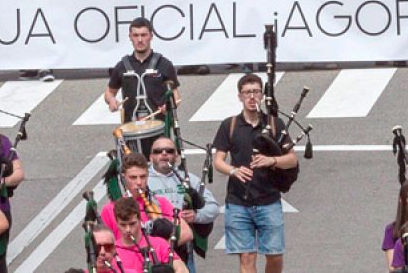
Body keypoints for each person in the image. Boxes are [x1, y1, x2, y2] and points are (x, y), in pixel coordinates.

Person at [210, 74, 296, 273]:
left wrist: (272, 160)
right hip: (238, 202)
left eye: (256, 92)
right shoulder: (229, 125)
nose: (252, 97)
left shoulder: (275, 124)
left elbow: (292, 159)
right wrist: (234, 170)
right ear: (240, 96)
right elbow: (218, 161)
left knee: (274, 255)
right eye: (247, 93)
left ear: (262, 95)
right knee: (247, 256)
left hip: (269, 200)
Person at [146, 135, 218, 273]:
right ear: (150, 157)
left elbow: (213, 208)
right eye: (158, 151)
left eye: (169, 150)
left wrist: (196, 216)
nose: (164, 154)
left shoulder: (188, 179)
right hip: (155, 249)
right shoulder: (143, 180)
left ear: (177, 156)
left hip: (184, 249)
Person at [104, 17, 181, 127]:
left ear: (151, 36)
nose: (140, 40)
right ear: (130, 37)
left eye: (143, 35)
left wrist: (168, 106)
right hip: (132, 125)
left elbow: (176, 96)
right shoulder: (122, 66)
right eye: (135, 35)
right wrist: (111, 100)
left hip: (160, 126)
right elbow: (109, 92)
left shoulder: (164, 64)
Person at [110, 197, 188, 273]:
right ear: (117, 223)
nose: (128, 229)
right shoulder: (112, 253)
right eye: (123, 225)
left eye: (132, 223)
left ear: (140, 220)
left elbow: (182, 268)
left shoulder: (159, 244)